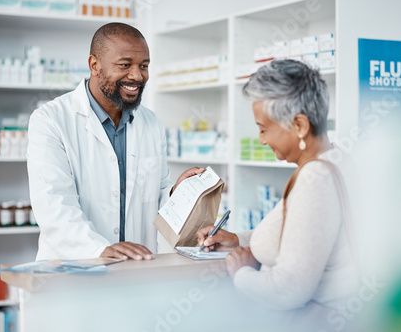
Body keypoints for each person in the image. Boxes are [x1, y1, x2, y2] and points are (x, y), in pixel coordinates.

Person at [27, 23, 203, 261]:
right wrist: (97, 249)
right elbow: (53, 205)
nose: (137, 76)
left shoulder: (151, 123)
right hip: (75, 271)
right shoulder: (50, 119)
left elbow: (154, 199)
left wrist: (175, 194)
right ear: (94, 65)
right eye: (124, 65)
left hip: (136, 269)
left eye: (144, 66)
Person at [197, 60, 358, 312]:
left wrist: (241, 273)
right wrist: (236, 241)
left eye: (263, 129)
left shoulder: (315, 179)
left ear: (300, 126)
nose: (261, 140)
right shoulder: (336, 161)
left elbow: (288, 289)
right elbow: (296, 236)